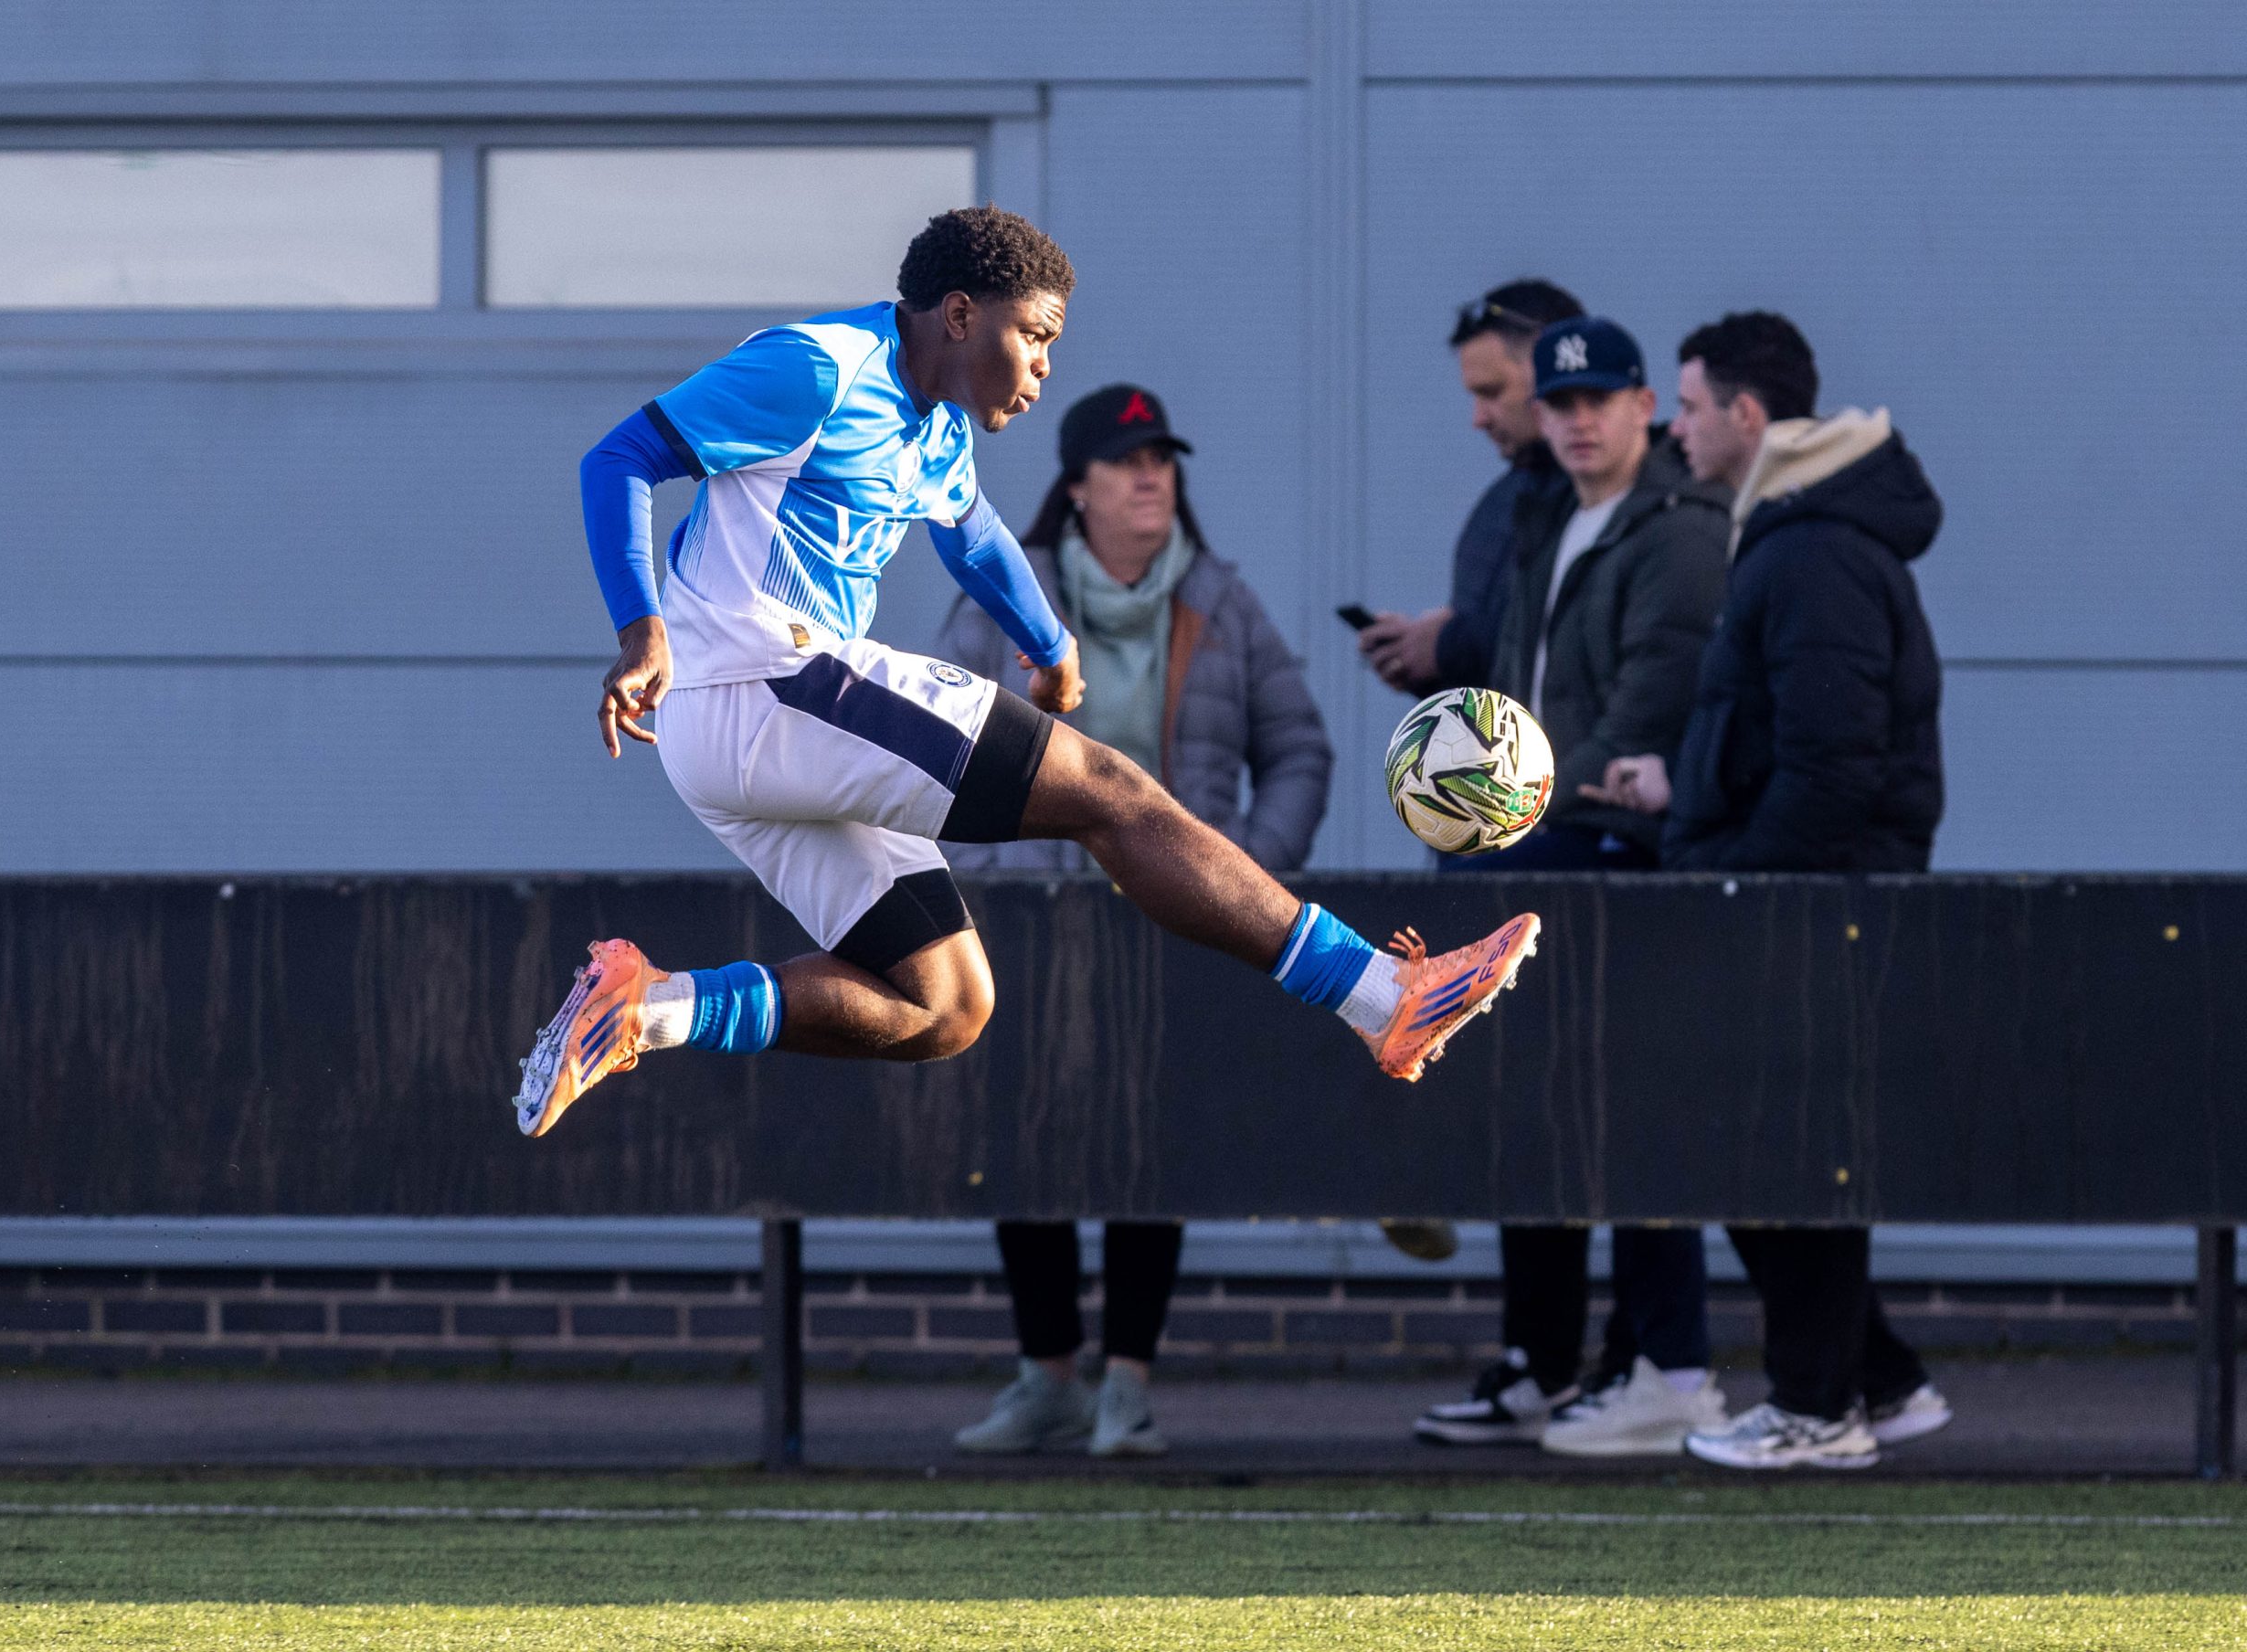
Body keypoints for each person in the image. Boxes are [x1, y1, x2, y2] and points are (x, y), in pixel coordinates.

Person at [514, 206, 1539, 1140]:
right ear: (960, 314)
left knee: (944, 1004)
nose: (1044, 364)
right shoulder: (818, 365)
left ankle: (647, 1007)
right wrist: (639, 627)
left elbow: (974, 538)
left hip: (738, 735)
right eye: (1035, 334)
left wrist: (1048, 645)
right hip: (765, 679)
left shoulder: (939, 425)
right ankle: (1379, 995)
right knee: (1116, 794)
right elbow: (619, 459)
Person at [1585, 310, 1951, 1470]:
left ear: (1747, 414)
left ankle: (1820, 1406)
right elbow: (1781, 741)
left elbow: (1832, 770)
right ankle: (1878, 1383)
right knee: (1774, 1153)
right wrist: (1679, 784)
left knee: (1786, 1156)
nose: (1671, 423)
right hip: (1796, 890)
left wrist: (1721, 871)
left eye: (1686, 403)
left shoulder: (1811, 551)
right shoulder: (1798, 535)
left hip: (1805, 906)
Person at [941, 384, 1331, 1456]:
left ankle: (1128, 1383)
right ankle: (1047, 1376)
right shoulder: (995, 604)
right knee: (1027, 1138)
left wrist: (1244, 874)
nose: (1152, 474)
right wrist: (990, 874)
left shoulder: (1221, 600)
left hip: (1170, 923)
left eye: (1163, 457)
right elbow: (920, 751)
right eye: (1125, 460)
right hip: (1027, 923)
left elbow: (1298, 747)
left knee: (1150, 1139)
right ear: (1075, 489)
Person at [1415, 316, 1730, 1457]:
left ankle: (1672, 1365)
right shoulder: (1550, 517)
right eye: (1560, 403)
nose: (1579, 418)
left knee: (1631, 1106)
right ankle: (1552, 1364)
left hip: (1611, 856)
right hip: (1537, 845)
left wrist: (1510, 812)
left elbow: (1652, 704)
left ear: (1646, 403)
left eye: (1601, 397)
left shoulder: (1681, 528)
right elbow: (1514, 692)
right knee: (1538, 1106)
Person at [1355, 280, 1584, 699]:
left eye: (1492, 392)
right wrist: (1426, 667)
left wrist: (1443, 646)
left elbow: (1572, 643)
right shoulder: (1503, 501)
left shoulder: (1610, 501)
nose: (1478, 419)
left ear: (1551, 372)